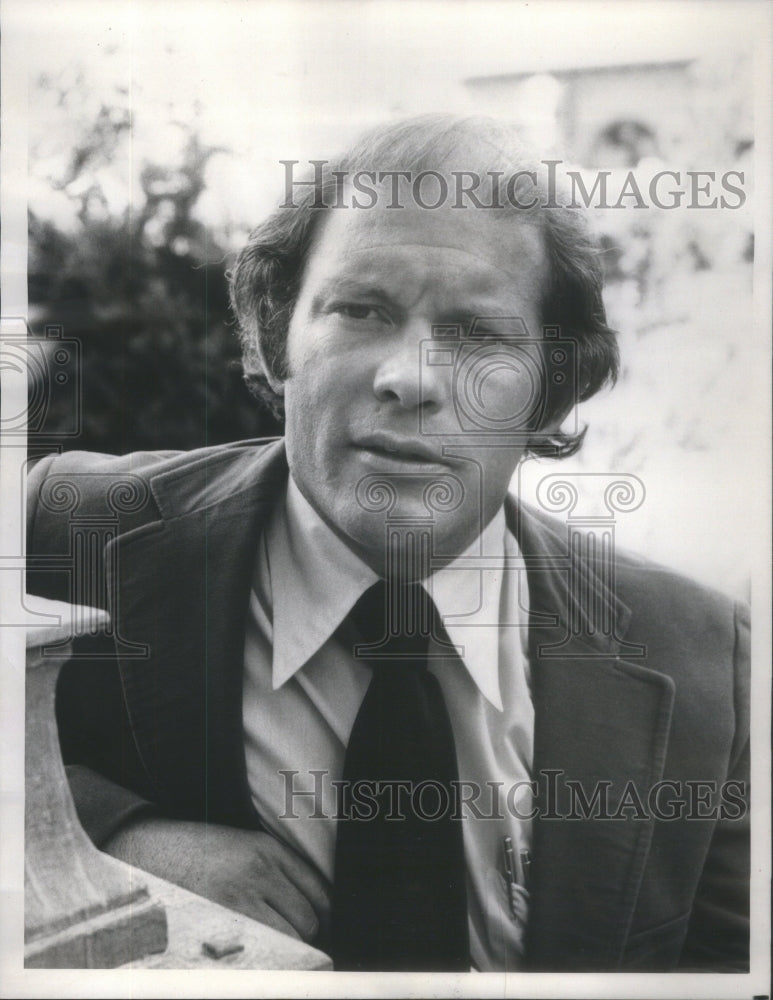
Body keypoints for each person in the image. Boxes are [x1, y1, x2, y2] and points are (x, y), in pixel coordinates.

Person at [26, 115, 749, 972]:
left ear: (550, 391)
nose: (410, 377)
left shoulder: (708, 658)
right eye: (360, 309)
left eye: (478, 334)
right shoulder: (65, 527)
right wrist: (111, 839)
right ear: (273, 331)